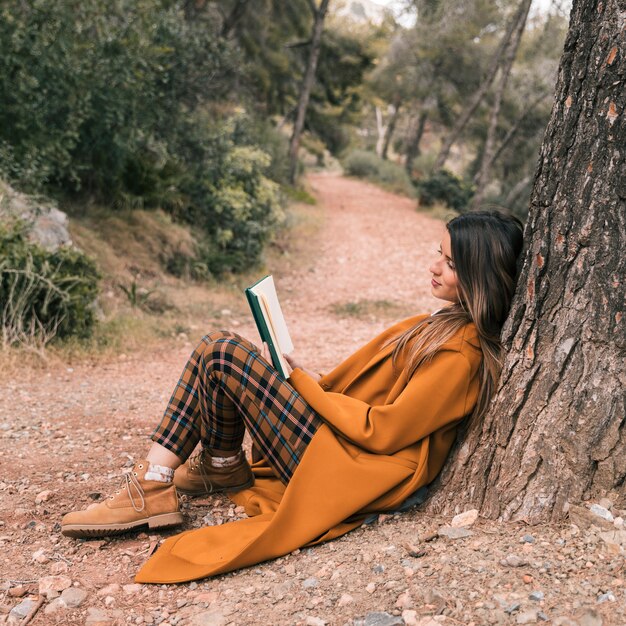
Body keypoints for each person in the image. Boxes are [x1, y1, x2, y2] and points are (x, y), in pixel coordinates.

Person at [61, 210, 524, 583]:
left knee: (222, 351)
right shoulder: (439, 325)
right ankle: (213, 468)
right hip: (338, 446)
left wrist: (297, 379)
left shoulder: (461, 354)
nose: (434, 266)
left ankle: (154, 485)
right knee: (216, 351)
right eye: (437, 254)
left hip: (349, 467)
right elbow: (355, 391)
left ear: (481, 277)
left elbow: (385, 432)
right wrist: (296, 375)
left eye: (451, 263)